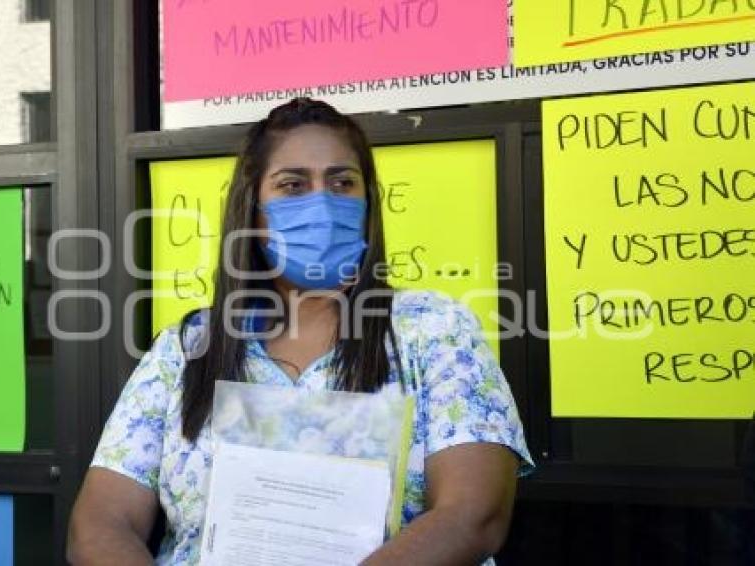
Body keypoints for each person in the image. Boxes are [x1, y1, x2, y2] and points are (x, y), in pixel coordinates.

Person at [67, 98, 534, 565]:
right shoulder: (187, 348)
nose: (322, 204)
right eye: (292, 185)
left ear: (367, 202)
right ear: (252, 210)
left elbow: (474, 515)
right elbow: (101, 522)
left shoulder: (433, 330)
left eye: (341, 182)